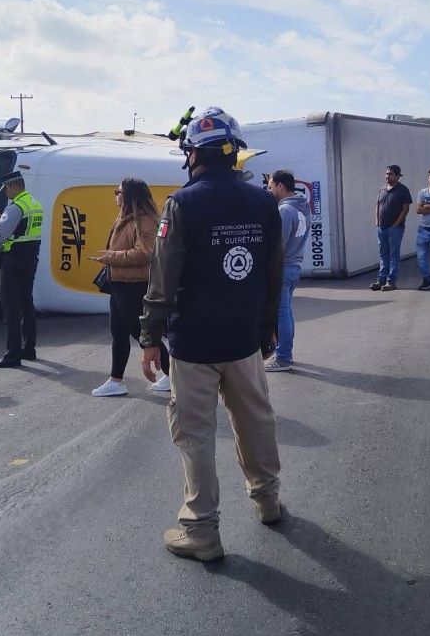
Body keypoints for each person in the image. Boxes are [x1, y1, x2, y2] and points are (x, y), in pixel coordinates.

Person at [139, 105, 284, 562]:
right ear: (233, 152)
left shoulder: (181, 204)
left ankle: (201, 529)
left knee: (196, 433)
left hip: (194, 344)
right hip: (244, 339)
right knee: (254, 420)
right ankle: (267, 501)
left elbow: (162, 277)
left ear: (192, 154)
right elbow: (271, 274)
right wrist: (267, 329)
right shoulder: (263, 201)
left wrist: (148, 336)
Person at [89, 177, 171, 397]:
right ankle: (116, 380)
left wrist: (112, 257)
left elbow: (146, 253)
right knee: (118, 332)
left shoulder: (145, 221)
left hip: (134, 286)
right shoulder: (125, 218)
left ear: (129, 196)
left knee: (142, 334)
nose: (115, 195)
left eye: (118, 192)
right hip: (119, 284)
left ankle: (172, 375)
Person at [0, 171, 42, 368]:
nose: (6, 193)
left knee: (11, 307)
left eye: (6, 189)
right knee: (27, 303)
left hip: (13, 262)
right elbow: (22, 228)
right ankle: (29, 349)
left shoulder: (15, 206)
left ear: (13, 186)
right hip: (30, 259)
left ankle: (12, 354)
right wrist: (3, 218)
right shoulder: (33, 203)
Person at [265, 169, 310, 372]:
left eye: (271, 186)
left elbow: (277, 245)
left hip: (283, 268)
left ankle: (283, 357)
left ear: (280, 186)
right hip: (295, 266)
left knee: (281, 312)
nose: (269, 190)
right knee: (287, 311)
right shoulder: (302, 207)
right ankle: (286, 351)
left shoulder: (284, 210)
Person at [371, 164, 412, 292]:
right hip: (381, 228)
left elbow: (406, 208)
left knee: (393, 254)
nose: (387, 176)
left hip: (395, 229)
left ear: (398, 176)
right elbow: (377, 205)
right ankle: (381, 280)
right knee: (383, 254)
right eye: (387, 173)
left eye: (391, 174)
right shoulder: (382, 189)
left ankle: (391, 281)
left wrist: (395, 224)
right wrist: (377, 221)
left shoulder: (403, 190)